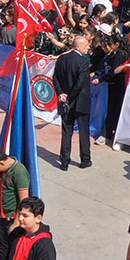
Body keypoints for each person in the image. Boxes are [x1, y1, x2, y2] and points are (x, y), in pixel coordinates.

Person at [52, 32, 94, 169]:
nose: (88, 47)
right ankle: (85, 159)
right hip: (80, 102)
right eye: (86, 45)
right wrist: (69, 96)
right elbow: (79, 84)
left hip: (65, 101)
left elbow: (55, 78)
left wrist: (61, 94)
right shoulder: (82, 63)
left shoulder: (62, 59)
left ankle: (64, 161)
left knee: (66, 131)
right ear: (78, 46)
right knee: (83, 131)